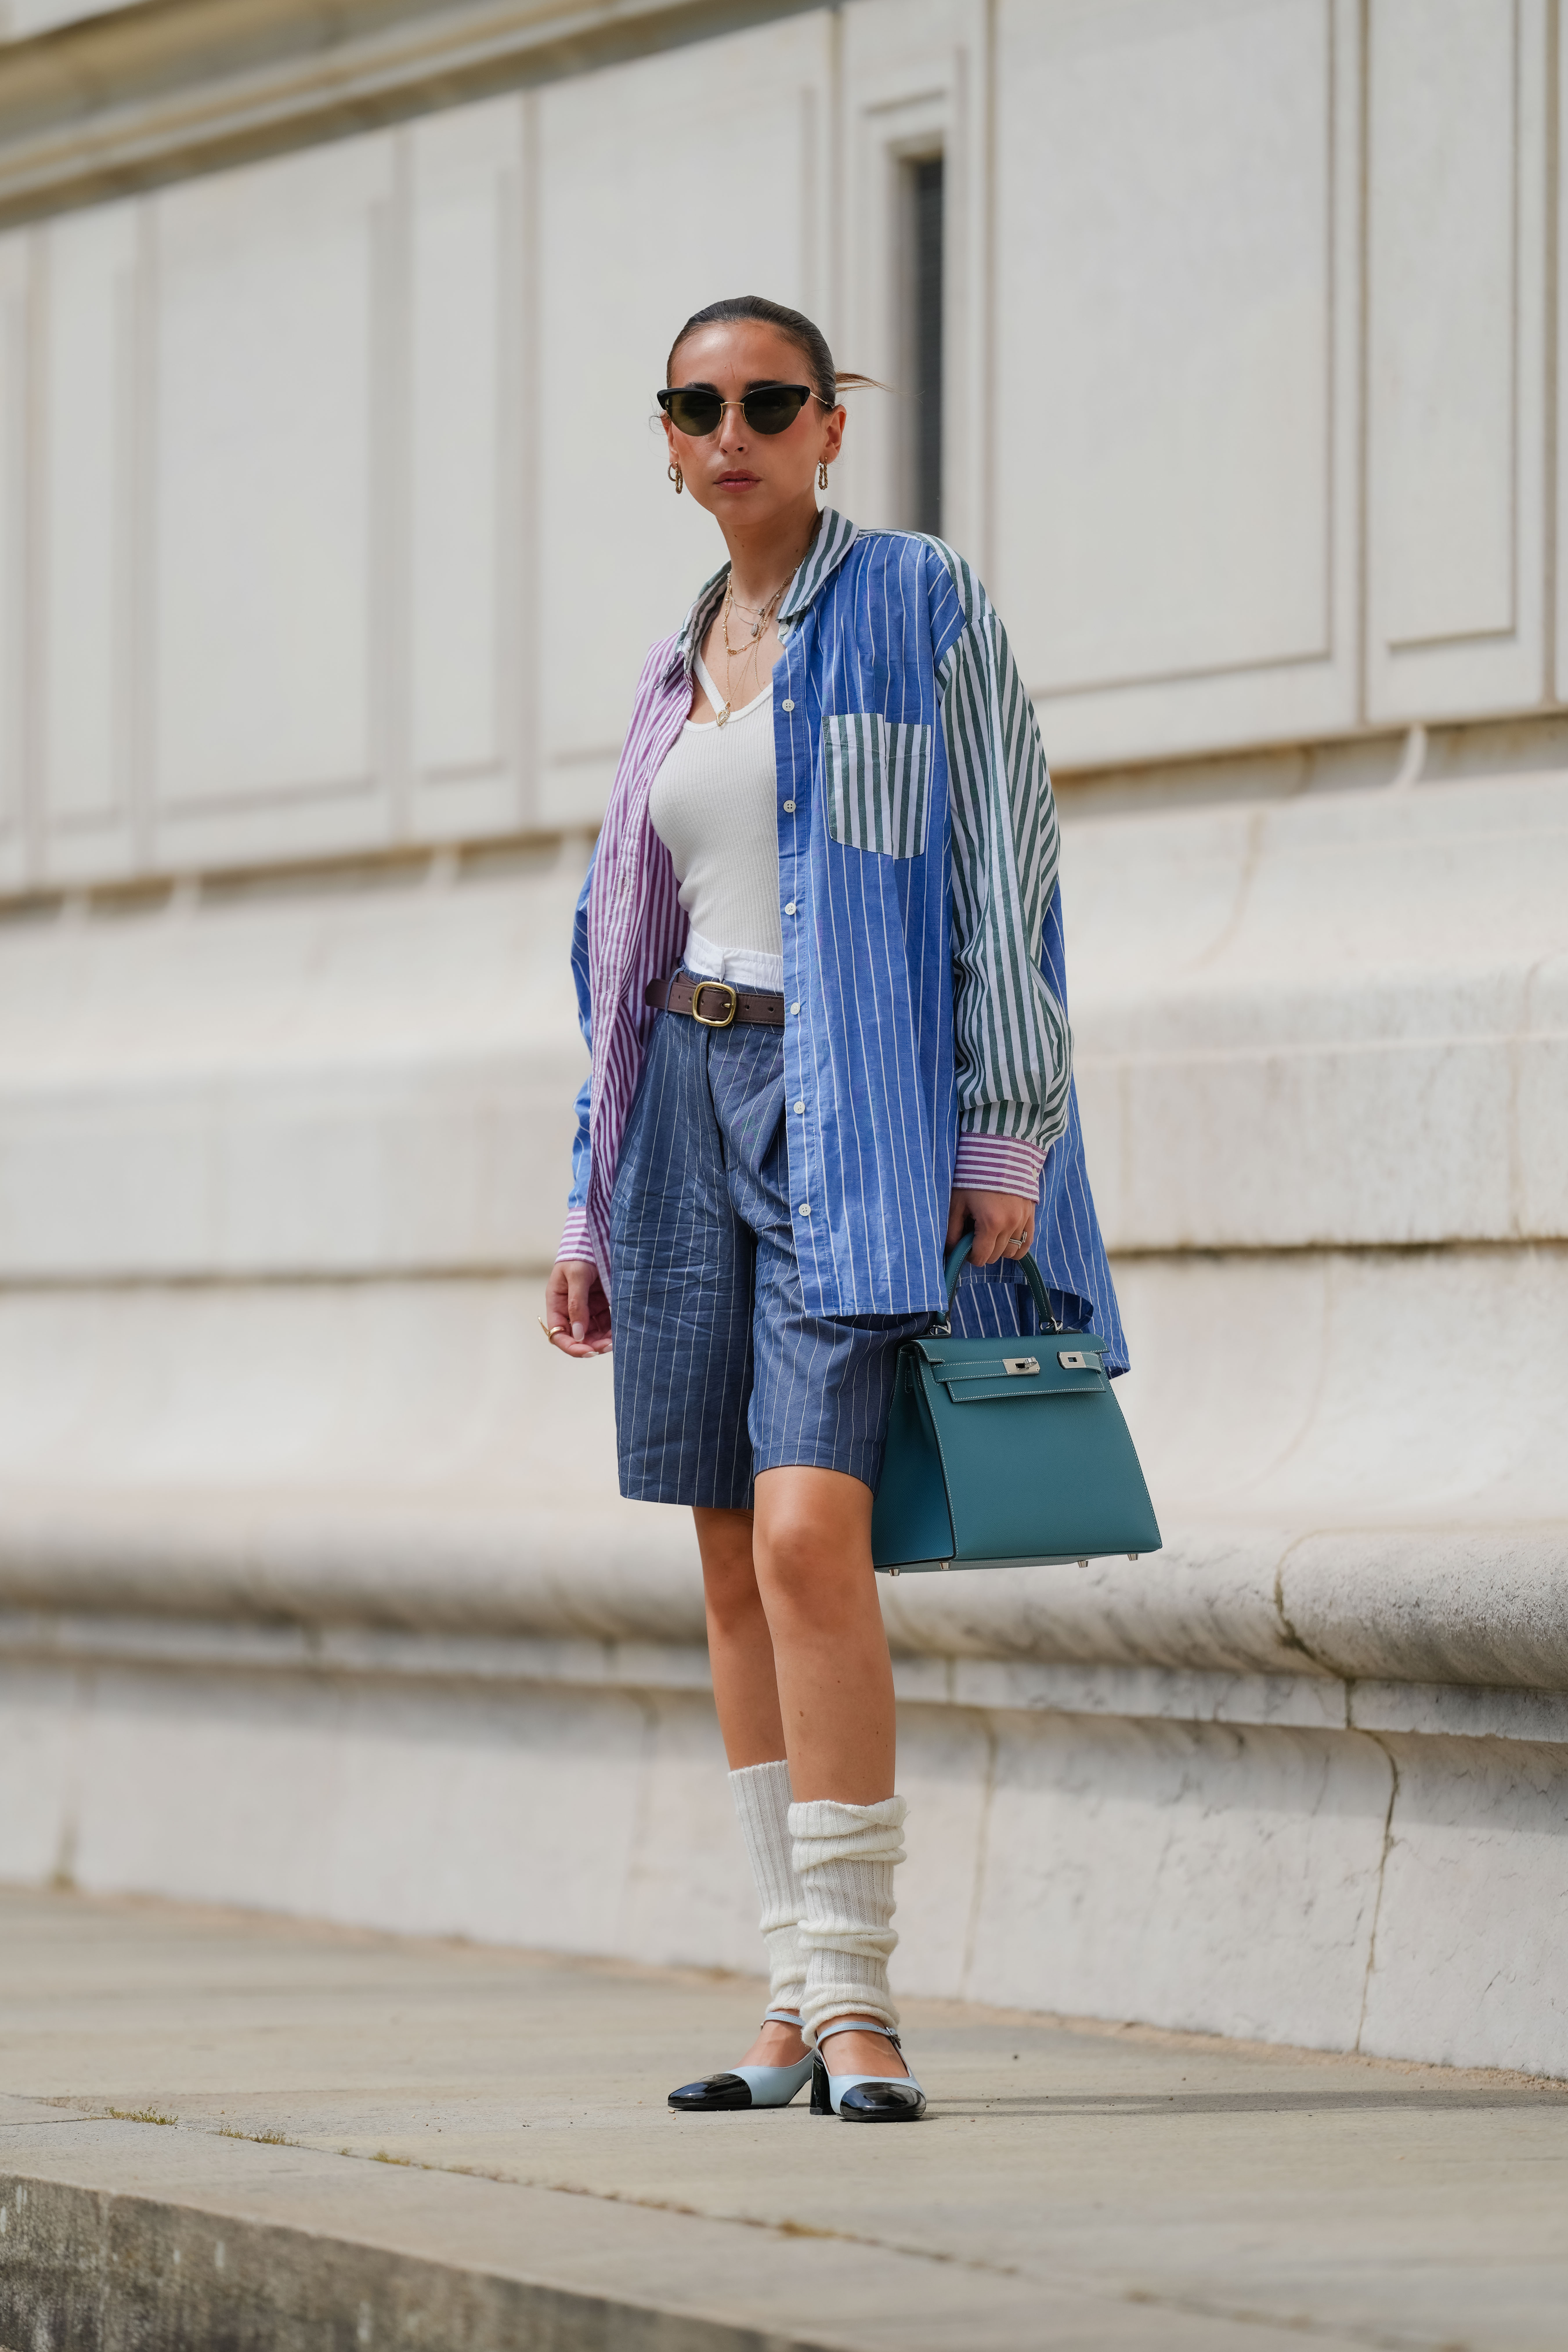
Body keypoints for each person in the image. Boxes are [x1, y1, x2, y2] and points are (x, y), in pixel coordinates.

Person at [544, 295, 1125, 2122]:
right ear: (668, 440)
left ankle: (863, 1998)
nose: (731, 432)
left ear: (827, 427)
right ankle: (789, 1996)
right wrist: (587, 1203)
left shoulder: (917, 601)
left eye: (767, 401)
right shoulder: (672, 668)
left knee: (812, 1536)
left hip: (851, 1111)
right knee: (728, 1553)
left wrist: (1009, 1131)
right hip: (680, 1109)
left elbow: (1012, 867)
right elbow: (613, 953)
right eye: (695, 406)